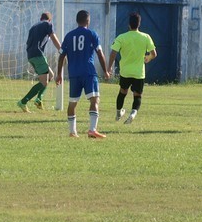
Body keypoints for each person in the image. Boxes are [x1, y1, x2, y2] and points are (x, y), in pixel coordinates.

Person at [56, 10, 110, 139]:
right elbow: (100, 53)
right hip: (88, 72)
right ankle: (92, 130)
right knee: (94, 99)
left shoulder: (69, 36)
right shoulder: (92, 34)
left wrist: (59, 74)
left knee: (72, 102)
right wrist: (105, 70)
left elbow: (61, 55)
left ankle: (72, 132)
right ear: (87, 20)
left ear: (77, 20)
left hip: (74, 73)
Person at [107, 12, 157, 125]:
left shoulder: (121, 37)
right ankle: (133, 113)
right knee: (137, 95)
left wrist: (109, 68)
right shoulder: (146, 37)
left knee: (123, 91)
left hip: (125, 71)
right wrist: (148, 58)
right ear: (139, 24)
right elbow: (154, 53)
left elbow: (113, 53)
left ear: (129, 24)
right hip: (139, 73)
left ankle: (119, 113)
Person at [17, 11, 62, 112]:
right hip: (38, 55)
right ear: (49, 19)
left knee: (50, 75)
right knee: (44, 82)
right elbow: (53, 38)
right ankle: (23, 101)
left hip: (31, 55)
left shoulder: (33, 27)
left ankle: (39, 99)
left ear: (41, 19)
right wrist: (61, 50)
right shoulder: (48, 24)